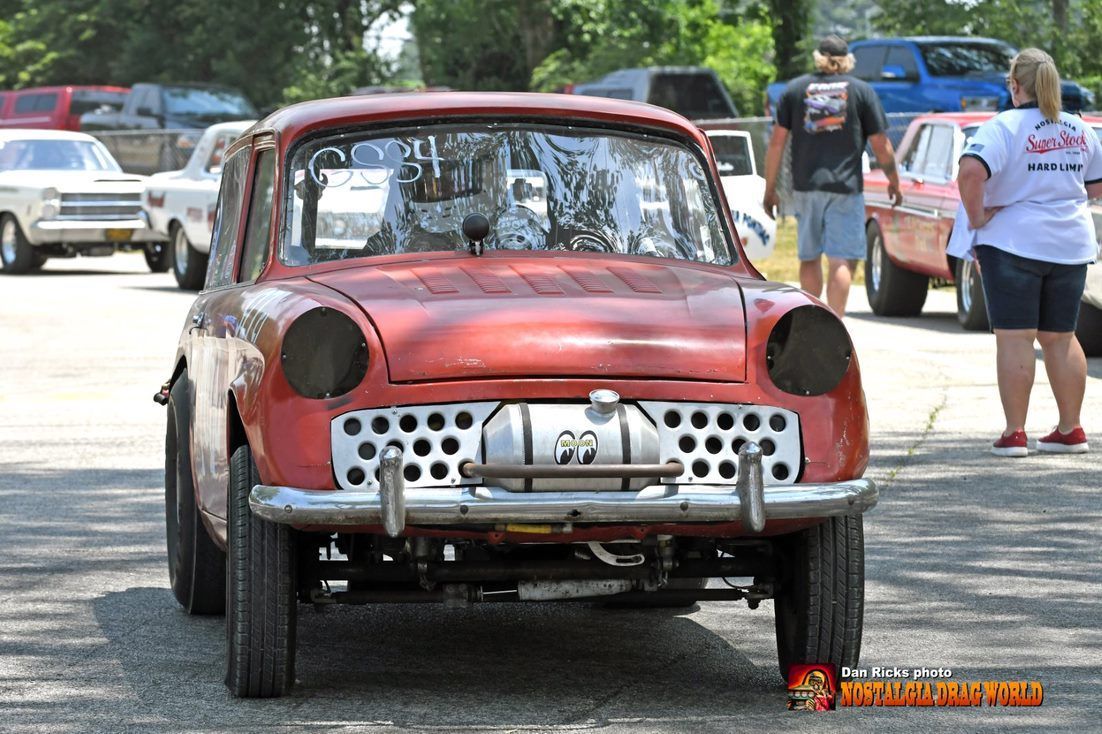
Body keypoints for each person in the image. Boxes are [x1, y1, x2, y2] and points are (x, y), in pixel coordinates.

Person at [951, 48, 1100, 457]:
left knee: (1015, 336)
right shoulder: (1078, 128)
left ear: (1015, 86)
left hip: (1013, 243)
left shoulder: (1002, 127)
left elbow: (970, 171)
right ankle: (1071, 430)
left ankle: (1015, 433)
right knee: (1061, 336)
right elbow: (1096, 186)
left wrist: (978, 216)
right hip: (1070, 244)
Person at [762, 35, 902, 317]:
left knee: (809, 256)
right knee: (840, 260)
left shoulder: (795, 89)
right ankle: (835, 324)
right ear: (848, 60)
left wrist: (770, 189)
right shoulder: (862, 92)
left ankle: (812, 321)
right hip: (845, 188)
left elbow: (776, 142)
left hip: (806, 186)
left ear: (818, 57)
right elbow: (881, 144)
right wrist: (894, 180)